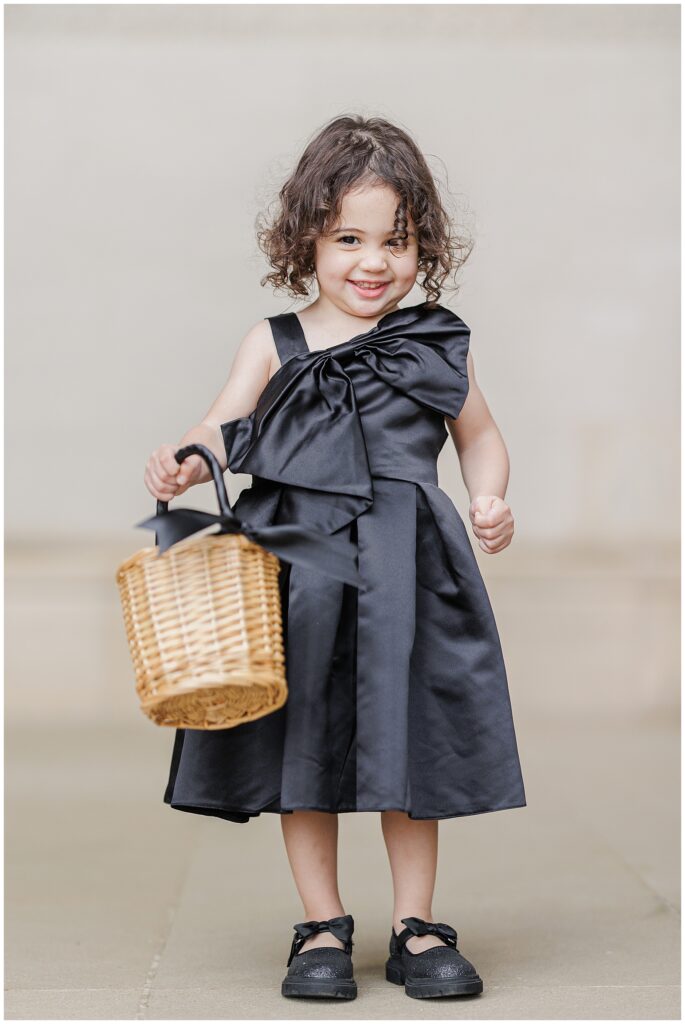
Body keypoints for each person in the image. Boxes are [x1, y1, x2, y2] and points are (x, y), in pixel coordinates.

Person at [144, 114, 526, 1002]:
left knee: (409, 747)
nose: (371, 262)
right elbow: (221, 423)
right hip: (300, 567)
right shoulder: (273, 342)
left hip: (408, 565)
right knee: (302, 744)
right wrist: (189, 456)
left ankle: (416, 924)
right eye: (347, 238)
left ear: (422, 245)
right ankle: (320, 922)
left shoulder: (434, 342)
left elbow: (481, 437)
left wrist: (489, 496)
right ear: (305, 239)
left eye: (394, 241)